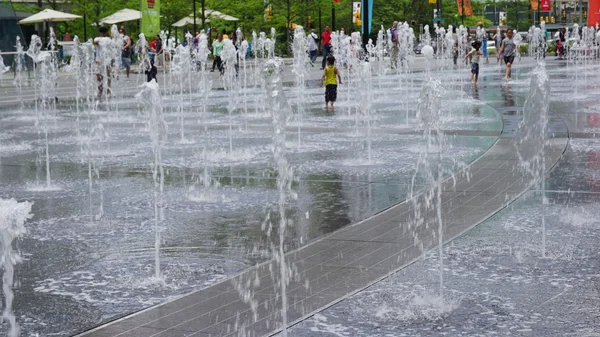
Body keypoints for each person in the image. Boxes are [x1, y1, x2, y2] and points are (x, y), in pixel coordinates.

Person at [94, 26, 112, 99]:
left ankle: (108, 91)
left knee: (107, 76)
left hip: (105, 60)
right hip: (99, 60)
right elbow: (95, 42)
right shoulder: (97, 38)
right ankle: (101, 91)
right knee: (100, 77)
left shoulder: (108, 39)